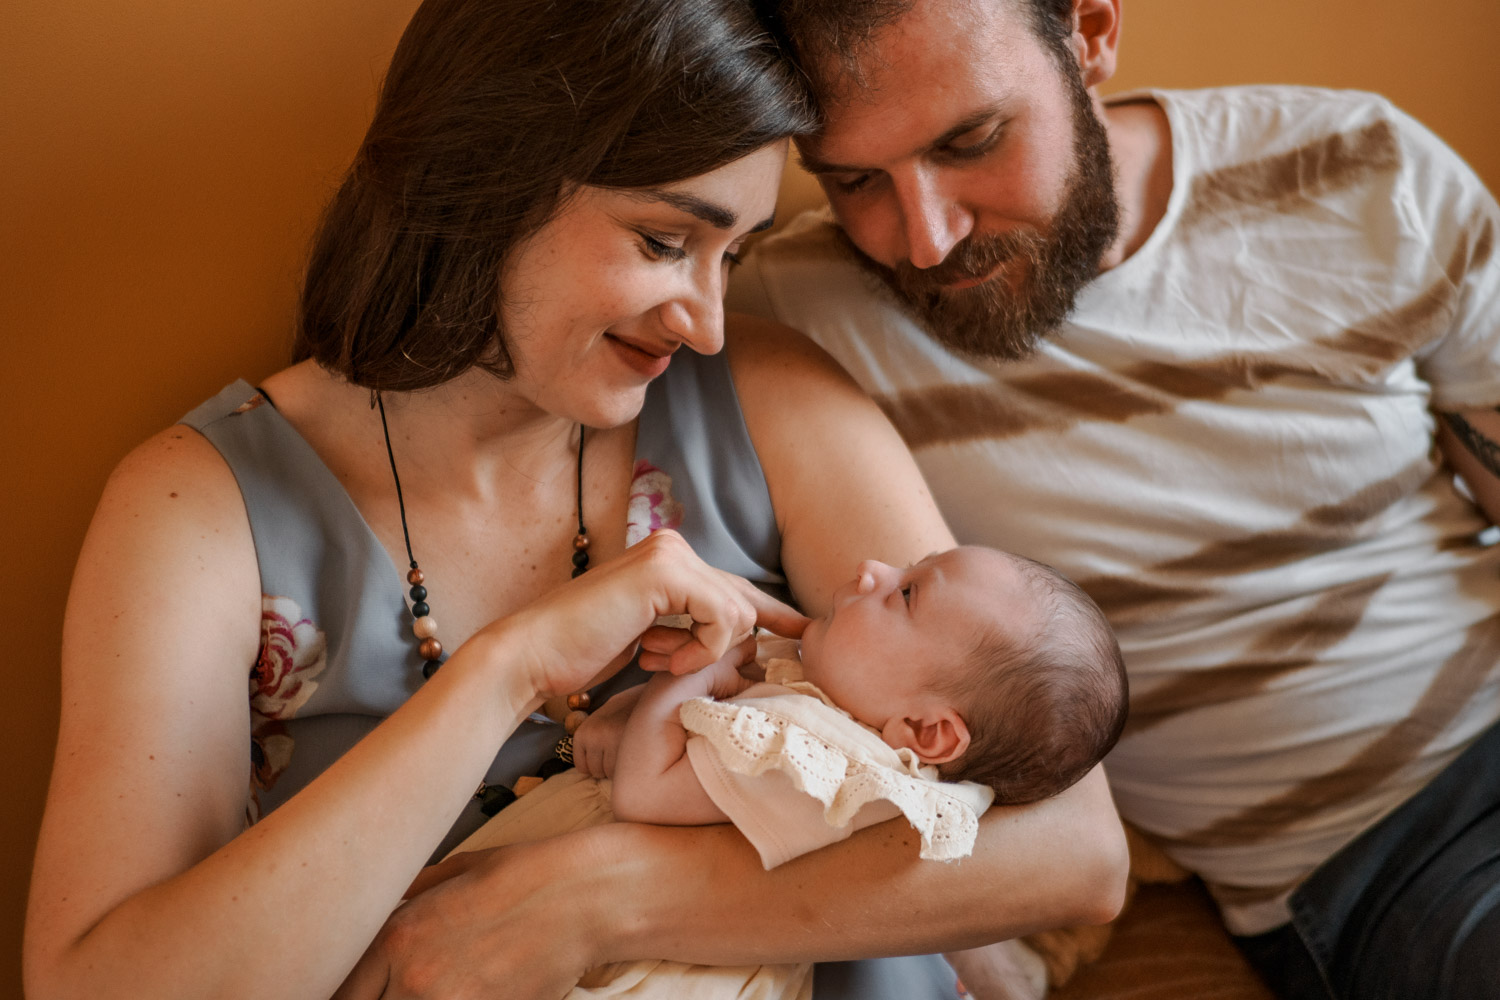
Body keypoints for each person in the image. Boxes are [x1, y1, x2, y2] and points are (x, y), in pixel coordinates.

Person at [22, 2, 1128, 999]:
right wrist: (507, 669)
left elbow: (1072, 847)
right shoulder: (199, 508)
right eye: (663, 241)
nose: (705, 323)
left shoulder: (771, 399)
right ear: (486, 176)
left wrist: (599, 893)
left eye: (731, 256)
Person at [727, 1, 1500, 997]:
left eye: (971, 140)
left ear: (1089, 33)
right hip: (1390, 860)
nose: (922, 239)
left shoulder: (1361, 167)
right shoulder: (789, 318)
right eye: (853, 180)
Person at [453, 544, 1127, 999]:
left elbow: (645, 792)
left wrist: (692, 676)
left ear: (927, 732)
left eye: (907, 594)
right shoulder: (824, 721)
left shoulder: (823, 765)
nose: (872, 569)